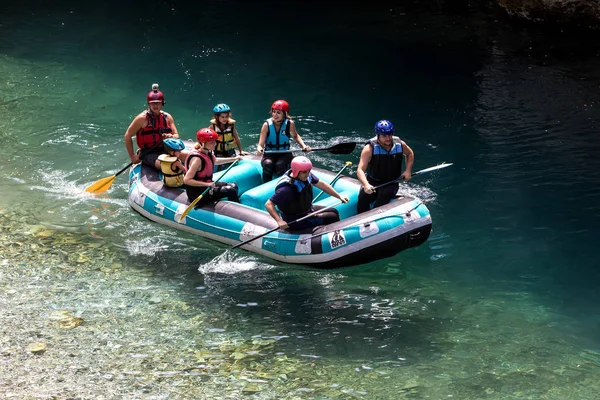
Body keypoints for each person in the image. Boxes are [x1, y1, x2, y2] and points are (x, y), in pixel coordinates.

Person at [265, 156, 349, 231]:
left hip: (307, 210)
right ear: (296, 171)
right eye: (304, 172)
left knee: (334, 211)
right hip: (296, 219)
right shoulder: (287, 189)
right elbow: (269, 204)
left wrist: (339, 196)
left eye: (309, 171)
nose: (307, 174)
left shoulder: (307, 176)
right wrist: (279, 221)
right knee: (332, 217)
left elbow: (322, 185)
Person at [356, 119, 414, 214]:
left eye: (390, 135)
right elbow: (360, 170)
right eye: (384, 136)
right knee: (362, 200)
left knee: (383, 198)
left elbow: (410, 153)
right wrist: (366, 184)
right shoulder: (369, 148)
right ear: (378, 135)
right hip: (372, 182)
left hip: (391, 182)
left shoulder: (400, 144)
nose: (388, 138)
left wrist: (408, 170)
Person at [124, 83, 179, 170]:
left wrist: (172, 136)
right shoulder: (142, 119)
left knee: (188, 156)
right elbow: (128, 135)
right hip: (148, 153)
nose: (155, 105)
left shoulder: (167, 117)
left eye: (158, 103)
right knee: (169, 168)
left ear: (162, 103)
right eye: (152, 103)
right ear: (149, 104)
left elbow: (176, 135)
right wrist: (132, 157)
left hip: (166, 149)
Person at [256, 100, 311, 183]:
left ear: (284, 114)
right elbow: (260, 144)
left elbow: (296, 136)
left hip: (285, 153)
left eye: (278, 112)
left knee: (280, 165)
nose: (275, 115)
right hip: (270, 154)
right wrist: (259, 149)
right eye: (273, 112)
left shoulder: (289, 124)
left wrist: (303, 146)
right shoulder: (266, 125)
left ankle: (283, 185)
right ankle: (266, 185)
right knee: (267, 164)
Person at [183, 128, 241, 206]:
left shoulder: (207, 152)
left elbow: (216, 161)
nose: (215, 144)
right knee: (231, 190)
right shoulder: (197, 159)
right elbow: (186, 180)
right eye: (211, 142)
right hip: (198, 192)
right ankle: (236, 210)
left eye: (215, 141)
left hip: (206, 186)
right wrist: (207, 184)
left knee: (234, 185)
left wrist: (234, 159)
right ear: (203, 143)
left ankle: (232, 204)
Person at [209, 103, 248, 171]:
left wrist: (241, 151)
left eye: (226, 116)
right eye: (222, 117)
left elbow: (237, 138)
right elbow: (207, 139)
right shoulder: (213, 127)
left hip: (230, 151)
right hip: (219, 152)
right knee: (221, 167)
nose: (225, 119)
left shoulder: (231, 126)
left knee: (234, 165)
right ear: (217, 117)